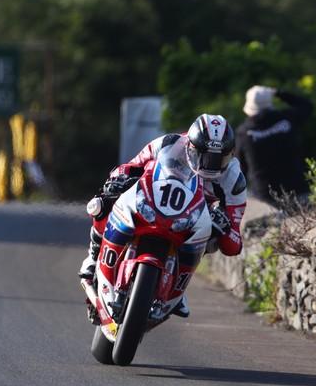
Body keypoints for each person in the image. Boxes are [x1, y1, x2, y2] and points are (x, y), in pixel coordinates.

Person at [78, 113, 247, 318]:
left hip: (191, 216)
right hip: (153, 199)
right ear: (191, 146)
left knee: (211, 238)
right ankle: (94, 255)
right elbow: (132, 165)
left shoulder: (234, 179)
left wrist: (225, 226)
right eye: (204, 156)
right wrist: (118, 180)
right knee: (103, 201)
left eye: (219, 158)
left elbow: (234, 244)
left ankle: (176, 286)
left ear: (230, 155)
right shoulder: (168, 143)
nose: (210, 164)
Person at [235, 85, 313, 204]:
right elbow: (307, 105)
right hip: (299, 191)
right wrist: (279, 93)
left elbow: (240, 169)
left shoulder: (244, 133)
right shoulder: (287, 119)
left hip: (266, 199)